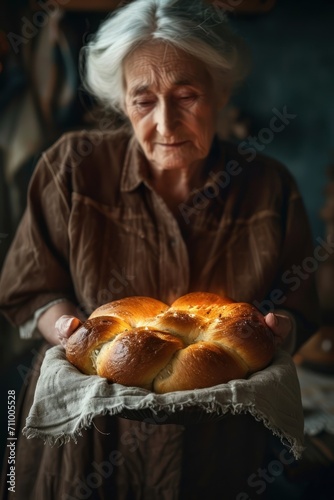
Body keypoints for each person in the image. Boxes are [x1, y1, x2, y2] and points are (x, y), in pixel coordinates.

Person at [0, 0, 320, 498]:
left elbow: (300, 297)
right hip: (87, 442)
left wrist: (284, 328)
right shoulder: (70, 169)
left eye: (187, 95)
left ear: (222, 91)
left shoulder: (268, 187)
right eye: (143, 101)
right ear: (120, 101)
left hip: (217, 449)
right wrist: (63, 326)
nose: (166, 124)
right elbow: (30, 287)